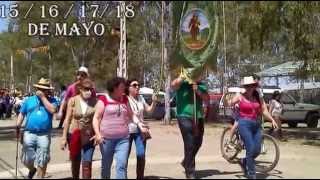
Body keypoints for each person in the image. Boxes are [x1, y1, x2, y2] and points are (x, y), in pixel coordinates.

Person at [224, 76, 278, 179]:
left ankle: (244, 161)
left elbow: (264, 110)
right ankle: (251, 174)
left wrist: (272, 119)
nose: (250, 88)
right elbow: (229, 103)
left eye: (252, 86)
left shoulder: (258, 96)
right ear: (245, 86)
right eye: (247, 86)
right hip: (244, 124)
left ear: (254, 86)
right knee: (250, 148)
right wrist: (227, 99)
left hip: (256, 125)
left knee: (257, 150)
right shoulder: (240, 96)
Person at [16, 78, 58, 179]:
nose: (42, 91)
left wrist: (43, 98)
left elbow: (53, 110)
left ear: (48, 90)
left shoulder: (53, 100)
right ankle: (32, 169)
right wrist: (18, 125)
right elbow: (22, 113)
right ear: (37, 88)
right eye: (41, 89)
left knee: (42, 159)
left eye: (45, 89)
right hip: (29, 133)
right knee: (26, 159)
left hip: (44, 134)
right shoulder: (29, 100)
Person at [92, 77, 134, 179]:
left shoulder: (125, 99)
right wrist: (97, 134)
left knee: (121, 166)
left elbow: (131, 115)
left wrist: (140, 124)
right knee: (106, 166)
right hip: (106, 140)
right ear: (114, 88)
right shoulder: (103, 100)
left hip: (123, 139)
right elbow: (96, 118)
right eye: (122, 87)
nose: (124, 89)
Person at [171, 74, 209, 179]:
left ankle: (186, 161)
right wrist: (184, 76)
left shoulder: (201, 85)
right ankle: (190, 172)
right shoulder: (181, 83)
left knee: (198, 142)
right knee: (189, 142)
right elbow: (173, 85)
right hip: (184, 116)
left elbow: (206, 98)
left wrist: (198, 91)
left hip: (198, 117)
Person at [60, 78, 97, 179]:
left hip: (89, 137)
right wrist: (64, 138)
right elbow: (67, 119)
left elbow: (97, 120)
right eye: (86, 89)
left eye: (91, 89)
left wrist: (98, 134)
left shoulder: (95, 102)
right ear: (80, 89)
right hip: (74, 136)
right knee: (75, 163)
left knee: (87, 164)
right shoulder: (73, 100)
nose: (89, 91)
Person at [126, 79, 157, 179]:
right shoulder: (125, 99)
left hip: (140, 131)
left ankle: (140, 177)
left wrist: (154, 102)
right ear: (128, 88)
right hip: (127, 130)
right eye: (134, 85)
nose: (137, 87)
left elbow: (149, 111)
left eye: (138, 85)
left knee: (141, 155)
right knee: (124, 156)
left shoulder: (141, 98)